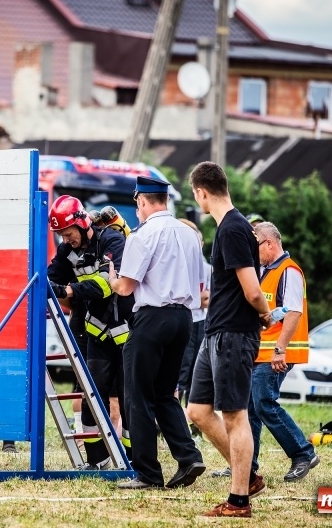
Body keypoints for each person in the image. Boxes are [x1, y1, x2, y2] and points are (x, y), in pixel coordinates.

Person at [186, 162, 272, 518]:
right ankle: (247, 477)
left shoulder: (234, 228)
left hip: (234, 334)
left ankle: (239, 502)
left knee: (235, 416)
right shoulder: (227, 228)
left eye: (196, 196)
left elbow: (252, 290)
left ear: (201, 192)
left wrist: (266, 313)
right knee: (198, 411)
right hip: (215, 331)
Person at [109, 176, 206, 490]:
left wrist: (111, 274)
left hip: (153, 317)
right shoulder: (189, 234)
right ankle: (188, 456)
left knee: (138, 395)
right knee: (166, 394)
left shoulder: (143, 234)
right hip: (183, 319)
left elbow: (125, 288)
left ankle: (148, 474)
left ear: (141, 201)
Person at [46, 195, 134, 469]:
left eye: (68, 233)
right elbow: (52, 275)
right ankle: (98, 460)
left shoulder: (111, 241)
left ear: (83, 223)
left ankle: (133, 459)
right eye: (60, 235)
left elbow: (107, 284)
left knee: (128, 396)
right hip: (96, 332)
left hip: (127, 330)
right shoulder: (67, 251)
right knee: (92, 393)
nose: (66, 239)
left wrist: (70, 290)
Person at [245, 223, 319, 483]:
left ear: (270, 244)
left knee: (264, 403)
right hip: (261, 351)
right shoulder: (265, 270)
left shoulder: (289, 271)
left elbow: (294, 312)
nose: (253, 253)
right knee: (251, 408)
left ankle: (303, 453)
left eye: (257, 247)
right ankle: (247, 466)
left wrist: (280, 350)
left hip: (276, 353)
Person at [175, 219, 210, 414]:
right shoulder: (179, 263)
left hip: (200, 321)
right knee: (181, 370)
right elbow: (198, 297)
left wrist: (198, 298)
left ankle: (193, 417)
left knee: (197, 372)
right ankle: (172, 417)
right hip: (184, 319)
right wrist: (199, 298)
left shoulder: (206, 267)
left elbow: (208, 298)